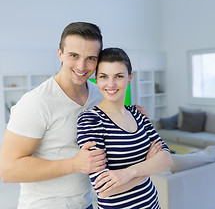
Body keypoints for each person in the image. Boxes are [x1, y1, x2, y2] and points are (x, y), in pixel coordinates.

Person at [0, 22, 149, 209]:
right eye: (74, 55)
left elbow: (114, 120)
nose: (82, 66)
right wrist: (74, 164)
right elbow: (8, 170)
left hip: (85, 203)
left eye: (91, 58)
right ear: (60, 53)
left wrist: (131, 113)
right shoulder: (36, 102)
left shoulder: (98, 94)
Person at [77, 48, 172, 209]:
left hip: (152, 204)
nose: (111, 84)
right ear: (96, 79)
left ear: (130, 77)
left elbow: (167, 158)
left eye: (119, 76)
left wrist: (128, 173)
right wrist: (148, 166)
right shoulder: (90, 120)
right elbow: (103, 190)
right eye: (104, 77)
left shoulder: (137, 113)